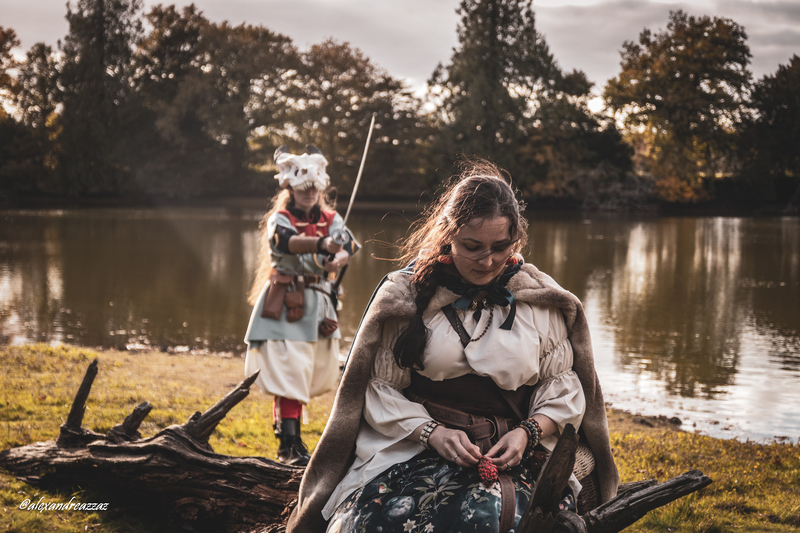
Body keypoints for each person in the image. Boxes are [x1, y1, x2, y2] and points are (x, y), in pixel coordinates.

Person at [287, 160, 619, 533]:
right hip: (412, 448)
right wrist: (431, 432)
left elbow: (562, 385)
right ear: (448, 235)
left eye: (500, 246)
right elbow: (378, 391)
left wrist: (528, 432)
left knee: (488, 520)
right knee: (372, 523)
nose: (488, 260)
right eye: (472, 247)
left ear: (517, 239)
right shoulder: (406, 297)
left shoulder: (539, 300)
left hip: (513, 456)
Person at [244, 145, 358, 466]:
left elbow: (348, 245)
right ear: (290, 188)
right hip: (285, 302)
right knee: (290, 372)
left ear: (320, 188)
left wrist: (339, 255)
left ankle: (293, 442)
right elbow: (284, 241)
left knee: (306, 372)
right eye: (302, 188)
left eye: (312, 189)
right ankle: (288, 444)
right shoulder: (280, 218)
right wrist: (322, 244)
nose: (308, 194)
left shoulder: (331, 218)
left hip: (319, 304)